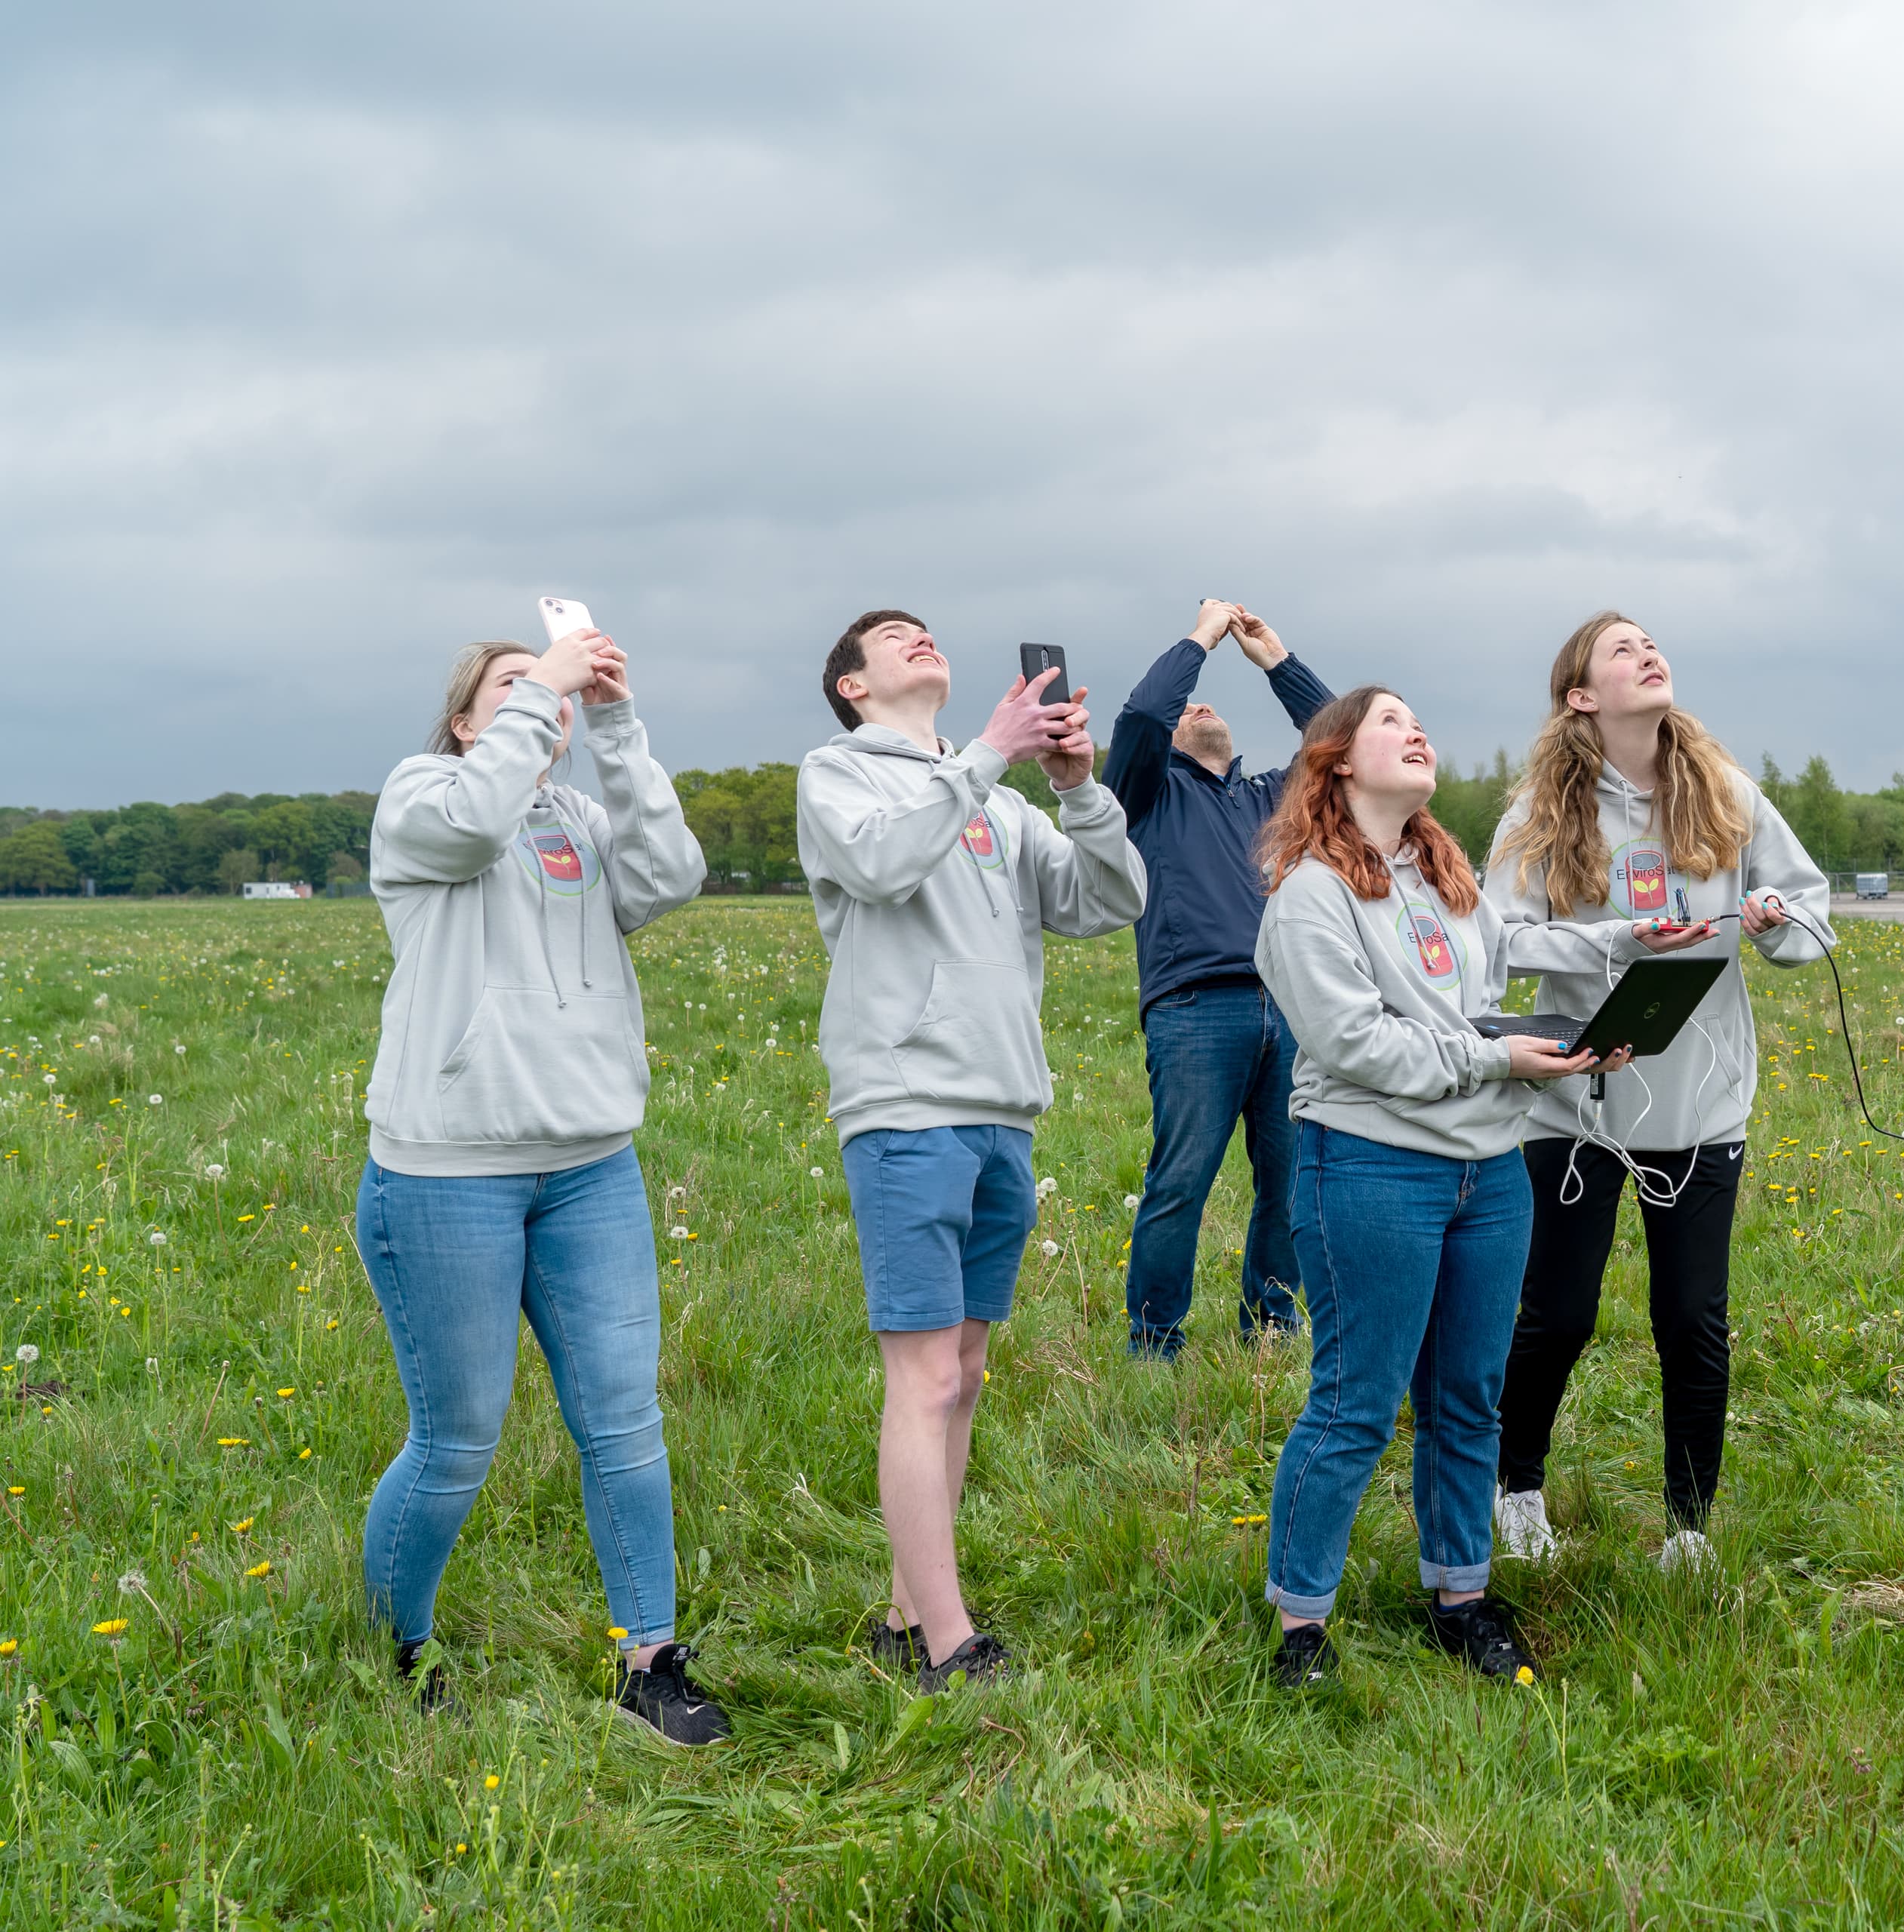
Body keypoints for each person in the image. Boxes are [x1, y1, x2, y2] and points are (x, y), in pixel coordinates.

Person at [359, 623, 726, 1743]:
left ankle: (650, 1659)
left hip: (590, 1168)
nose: (543, 696)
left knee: (624, 1421)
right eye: (511, 688)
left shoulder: (579, 818)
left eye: (550, 686)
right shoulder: (424, 796)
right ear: (471, 720)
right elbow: (476, 820)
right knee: (458, 1439)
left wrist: (614, 722)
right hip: (447, 1174)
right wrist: (544, 686)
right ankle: (393, 1646)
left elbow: (672, 876)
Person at [798, 611, 1147, 1691]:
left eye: (925, 631)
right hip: (906, 1103)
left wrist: (1079, 788)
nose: (919, 640)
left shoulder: (994, 796)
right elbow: (885, 865)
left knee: (969, 1370)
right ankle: (951, 1642)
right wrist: (994, 751)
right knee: (925, 1373)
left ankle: (910, 1616)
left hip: (1004, 1107)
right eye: (891, 639)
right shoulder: (836, 774)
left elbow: (1111, 900)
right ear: (853, 688)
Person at [1250, 685, 1621, 1689]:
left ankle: (1462, 1599)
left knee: (1468, 1399)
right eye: (1389, 723)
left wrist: (1628, 951)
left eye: (1419, 722)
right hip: (1369, 1166)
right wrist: (1503, 1063)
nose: (1416, 733)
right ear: (1336, 763)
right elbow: (1354, 1044)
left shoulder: (1443, 875)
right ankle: (1298, 1627)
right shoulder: (1310, 894)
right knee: (1356, 1404)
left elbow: (1511, 966)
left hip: (1488, 1174)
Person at [1481, 612, 1833, 1574]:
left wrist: (1771, 919)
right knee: (1559, 1313)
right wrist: (1612, 943)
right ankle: (1514, 1492)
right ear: (1581, 696)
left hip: (1704, 1104)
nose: (1648, 653)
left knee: (1692, 1317)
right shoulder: (1541, 816)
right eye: (1621, 648)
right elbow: (1495, 944)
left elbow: (1812, 912)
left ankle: (1688, 1529)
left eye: (1651, 642)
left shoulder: (1726, 794)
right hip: (1577, 1104)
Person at [1102, 599, 1333, 1357]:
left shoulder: (1272, 796)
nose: (1198, 704)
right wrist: (1204, 636)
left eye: (1207, 700)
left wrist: (1273, 656)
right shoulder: (1146, 793)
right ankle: (1154, 1341)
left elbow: (1340, 738)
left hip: (1291, 1008)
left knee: (1292, 1183)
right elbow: (1141, 713)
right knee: (1181, 1182)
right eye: (1186, 707)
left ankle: (1270, 1329)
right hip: (1195, 1005)